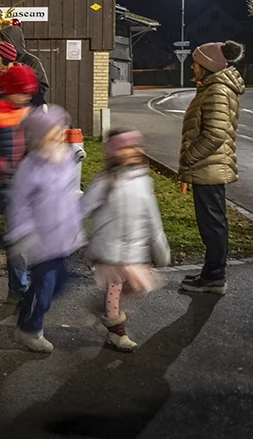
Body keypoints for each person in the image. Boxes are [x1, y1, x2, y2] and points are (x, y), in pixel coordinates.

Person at [82, 129, 171, 352]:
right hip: (109, 250)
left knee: (137, 285)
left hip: (133, 251)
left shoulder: (143, 181)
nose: (130, 151)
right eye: (123, 148)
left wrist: (160, 248)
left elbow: (152, 218)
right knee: (115, 287)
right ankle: (117, 332)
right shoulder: (106, 182)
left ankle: (105, 308)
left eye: (134, 146)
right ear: (113, 153)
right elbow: (82, 208)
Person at [6, 105, 84, 353]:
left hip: (62, 238)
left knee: (61, 282)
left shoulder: (65, 159)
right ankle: (29, 329)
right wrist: (23, 235)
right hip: (40, 240)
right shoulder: (30, 168)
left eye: (61, 127)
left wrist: (76, 227)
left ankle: (29, 307)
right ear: (40, 136)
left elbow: (68, 198)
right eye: (53, 130)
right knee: (45, 286)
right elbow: (19, 205)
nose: (60, 133)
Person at [178, 40, 245, 295]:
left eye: (196, 62)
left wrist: (189, 158)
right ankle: (211, 272)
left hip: (209, 166)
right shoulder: (212, 87)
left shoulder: (217, 90)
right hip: (209, 166)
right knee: (212, 222)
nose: (193, 66)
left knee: (213, 223)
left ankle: (215, 276)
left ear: (206, 65)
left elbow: (215, 134)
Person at [0, 64, 39, 300]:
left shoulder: (26, 112)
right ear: (10, 90)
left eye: (28, 93)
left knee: (17, 237)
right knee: (13, 237)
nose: (26, 97)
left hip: (19, 185)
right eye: (22, 92)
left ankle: (18, 285)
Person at [0, 25, 50, 106]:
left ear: (13, 40)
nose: (1, 43)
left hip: (30, 107)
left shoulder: (31, 60)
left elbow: (43, 86)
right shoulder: (0, 61)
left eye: (3, 40)